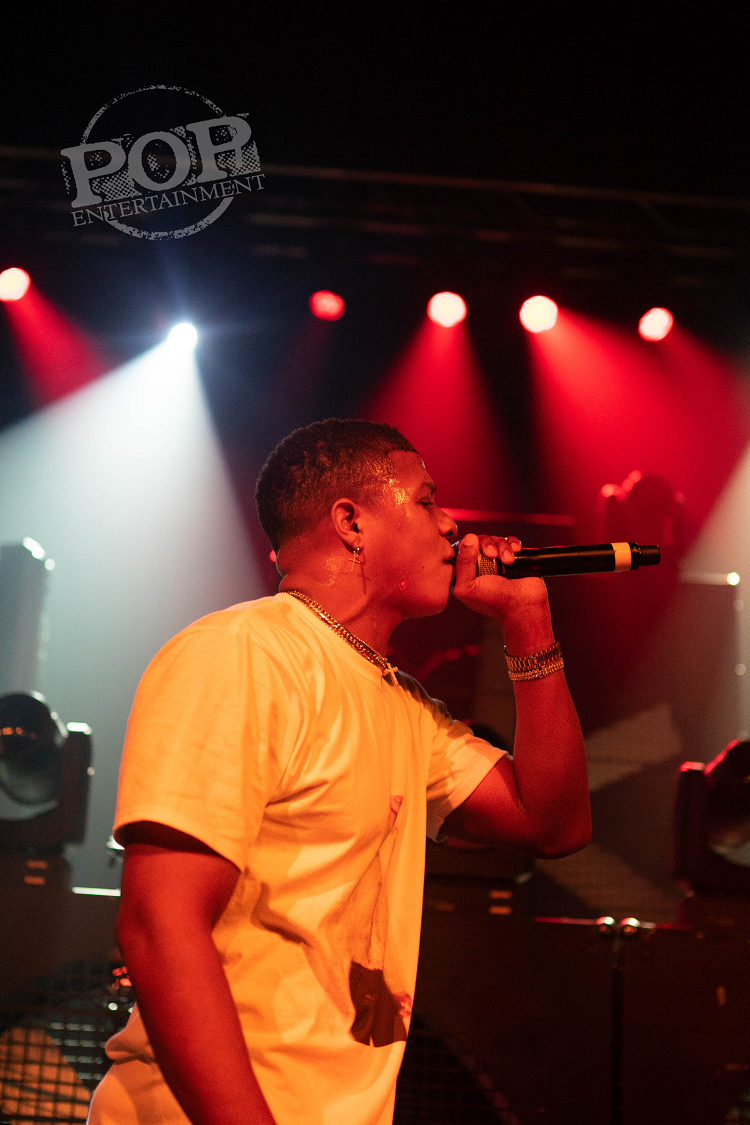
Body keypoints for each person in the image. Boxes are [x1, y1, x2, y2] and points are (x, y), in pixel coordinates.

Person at [88, 419, 591, 1125]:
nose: (451, 525)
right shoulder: (241, 653)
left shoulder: (403, 706)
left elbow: (554, 822)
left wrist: (528, 625)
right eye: (427, 500)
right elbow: (157, 920)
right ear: (351, 522)